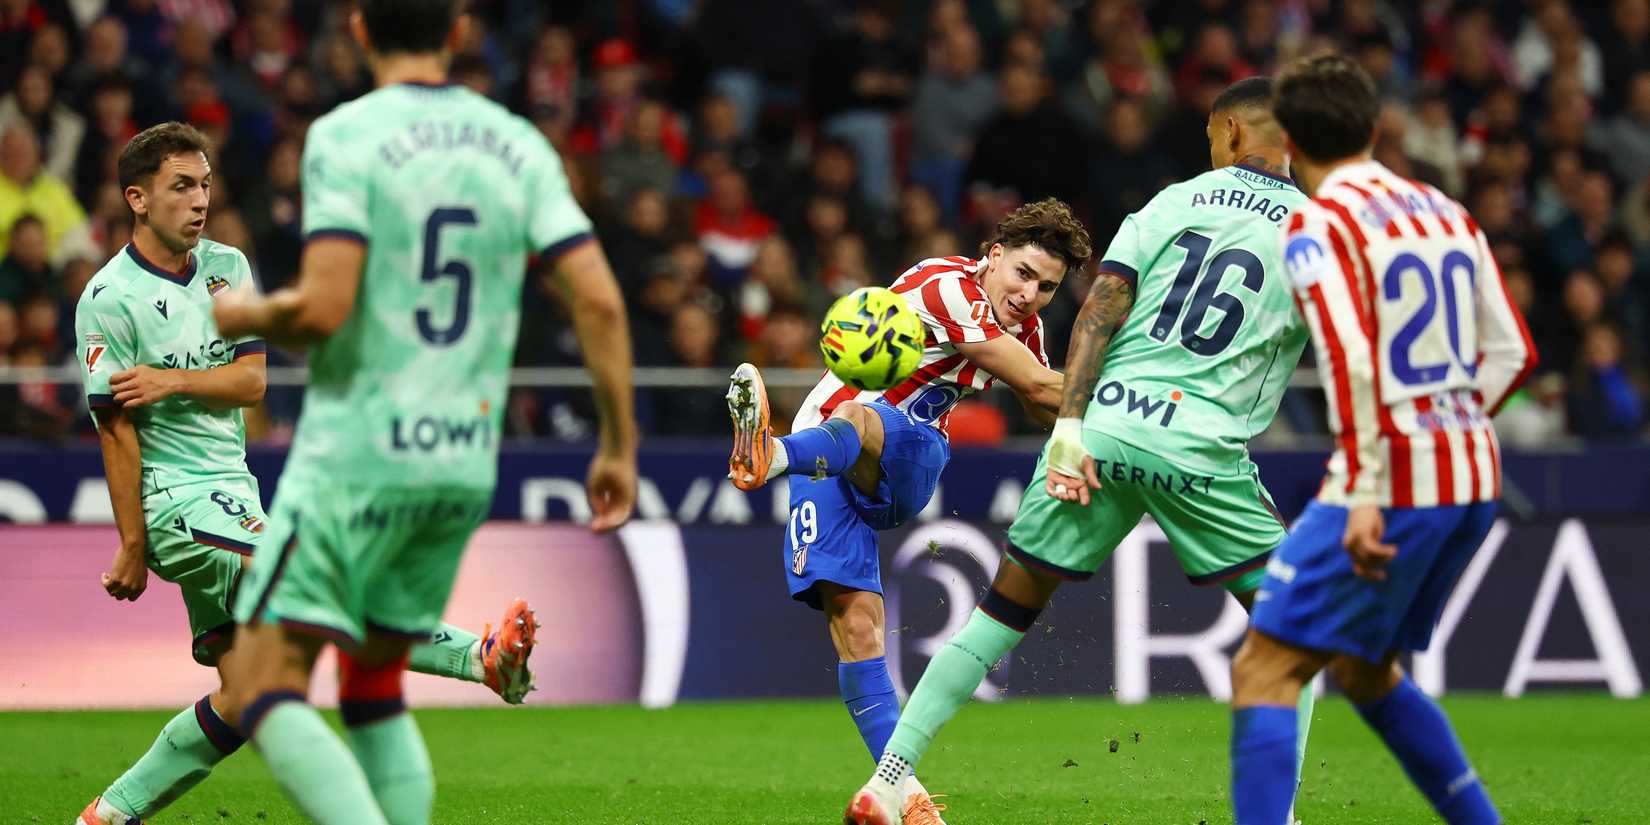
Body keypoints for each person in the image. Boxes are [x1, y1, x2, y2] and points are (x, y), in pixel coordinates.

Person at [844, 77, 1321, 824]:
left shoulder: (1170, 203)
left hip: (1098, 431)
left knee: (1000, 610)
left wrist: (1068, 427)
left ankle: (890, 776)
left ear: (1230, 132)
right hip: (1197, 444)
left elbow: (1100, 306)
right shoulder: (1315, 231)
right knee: (1299, 630)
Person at [208, 2, 639, 823]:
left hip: (358, 455)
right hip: (463, 462)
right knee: (372, 681)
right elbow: (601, 302)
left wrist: (242, 316)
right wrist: (618, 442)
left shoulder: (345, 134)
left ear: (360, 30)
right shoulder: (519, 144)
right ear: (460, 31)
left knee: (262, 683)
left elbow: (325, 305)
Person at [70, 122, 545, 825]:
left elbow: (252, 381)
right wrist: (133, 543)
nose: (199, 199)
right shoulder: (108, 297)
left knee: (240, 693)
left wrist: (170, 382)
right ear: (137, 198)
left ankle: (108, 814)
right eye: (181, 186)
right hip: (176, 505)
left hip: (232, 492)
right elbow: (116, 430)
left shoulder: (227, 265)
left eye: (204, 183)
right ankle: (480, 659)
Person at [1228, 55, 1536, 825]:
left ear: (1289, 140)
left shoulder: (1315, 225)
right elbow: (1512, 354)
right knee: (1366, 672)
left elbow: (1350, 359)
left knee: (1264, 668)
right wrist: (1446, 425)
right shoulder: (1446, 211)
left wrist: (1367, 491)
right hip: (1470, 474)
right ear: (1373, 128)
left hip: (1391, 480)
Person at [728, 198, 1084, 825]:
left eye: (1048, 287)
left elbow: (1039, 397)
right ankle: (906, 798)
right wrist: (1133, 394)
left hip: (903, 460)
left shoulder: (1022, 329)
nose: (1031, 294)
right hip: (830, 448)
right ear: (993, 256)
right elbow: (1035, 387)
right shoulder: (949, 289)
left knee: (864, 418)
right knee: (855, 624)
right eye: (1024, 274)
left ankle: (772, 453)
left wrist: (1074, 413)